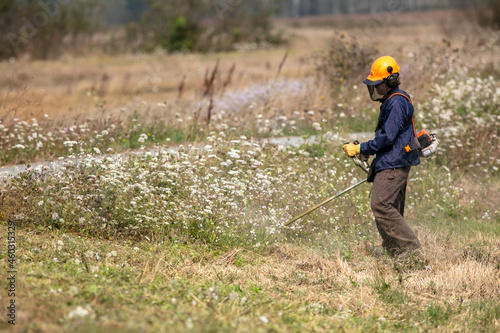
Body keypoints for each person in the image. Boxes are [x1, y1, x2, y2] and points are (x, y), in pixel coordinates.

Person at [342, 56, 422, 257]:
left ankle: (412, 252)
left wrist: (361, 149)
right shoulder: (392, 101)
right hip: (391, 161)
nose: (375, 89)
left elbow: (388, 138)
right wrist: (366, 150)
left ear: (391, 81)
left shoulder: (396, 103)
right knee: (390, 206)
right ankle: (395, 251)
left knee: (381, 205)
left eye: (379, 85)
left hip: (394, 163)